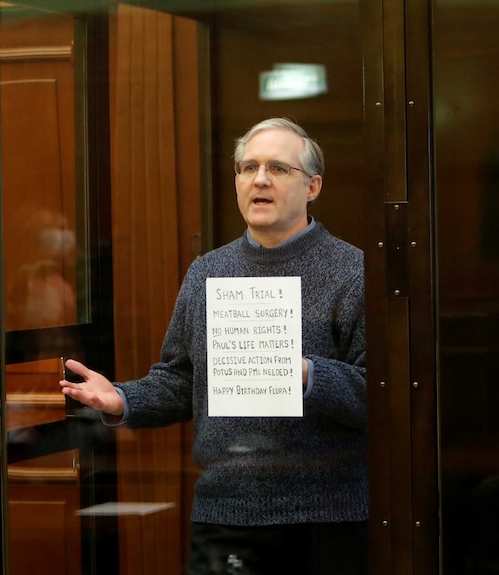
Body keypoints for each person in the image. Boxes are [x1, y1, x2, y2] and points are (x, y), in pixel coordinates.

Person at [60, 118, 367, 574]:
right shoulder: (207, 272)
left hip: (327, 517)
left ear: (313, 186)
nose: (260, 179)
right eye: (248, 168)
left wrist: (304, 372)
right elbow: (182, 380)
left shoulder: (352, 269)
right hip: (227, 514)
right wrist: (122, 399)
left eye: (279, 169)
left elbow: (378, 393)